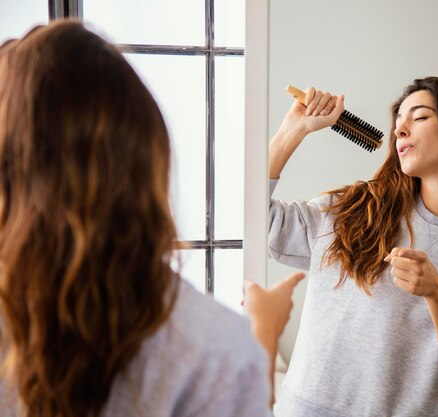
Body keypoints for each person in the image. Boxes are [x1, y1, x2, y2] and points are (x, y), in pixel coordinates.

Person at [0, 19, 302, 417]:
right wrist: (262, 331)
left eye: (417, 116)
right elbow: (261, 214)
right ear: (149, 163)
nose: (402, 128)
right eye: (402, 115)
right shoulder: (212, 349)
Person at [268, 77, 438, 416]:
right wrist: (292, 130)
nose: (400, 130)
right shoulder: (355, 211)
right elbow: (258, 222)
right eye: (398, 122)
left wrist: (437, 293)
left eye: (419, 117)